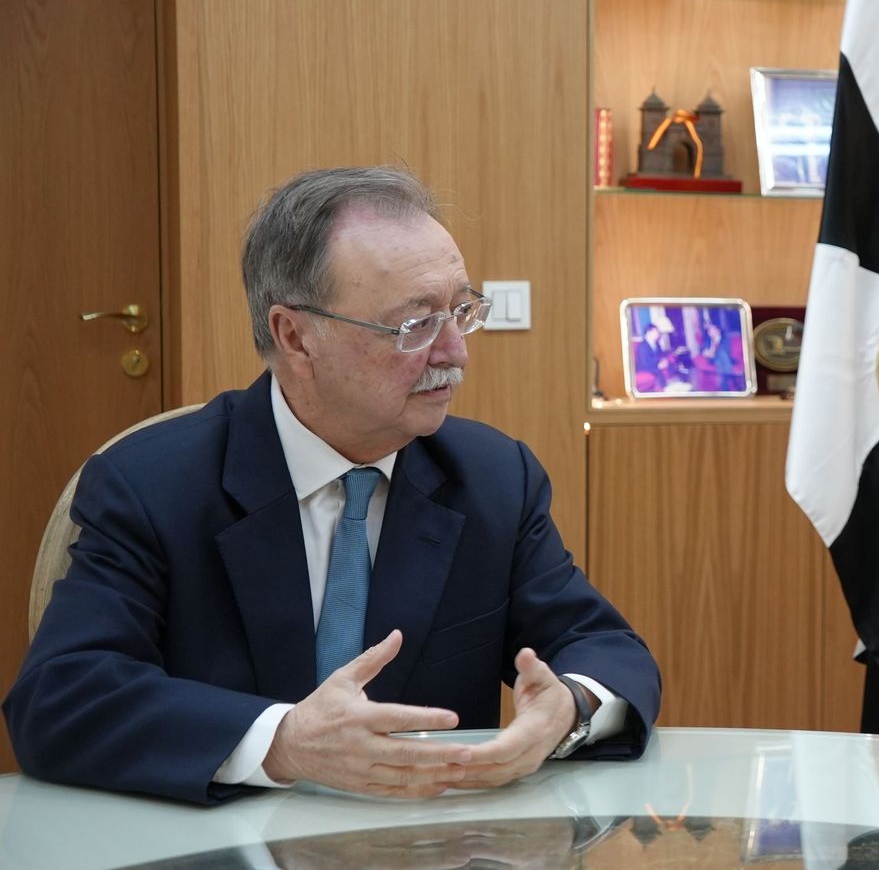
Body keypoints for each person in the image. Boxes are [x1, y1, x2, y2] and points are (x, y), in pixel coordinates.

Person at [5, 167, 661, 805]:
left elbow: (604, 648)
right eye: (415, 325)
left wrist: (570, 709)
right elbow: (63, 696)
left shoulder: (494, 478)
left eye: (461, 310)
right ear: (295, 335)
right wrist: (283, 742)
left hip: (431, 848)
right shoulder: (151, 483)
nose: (455, 352)